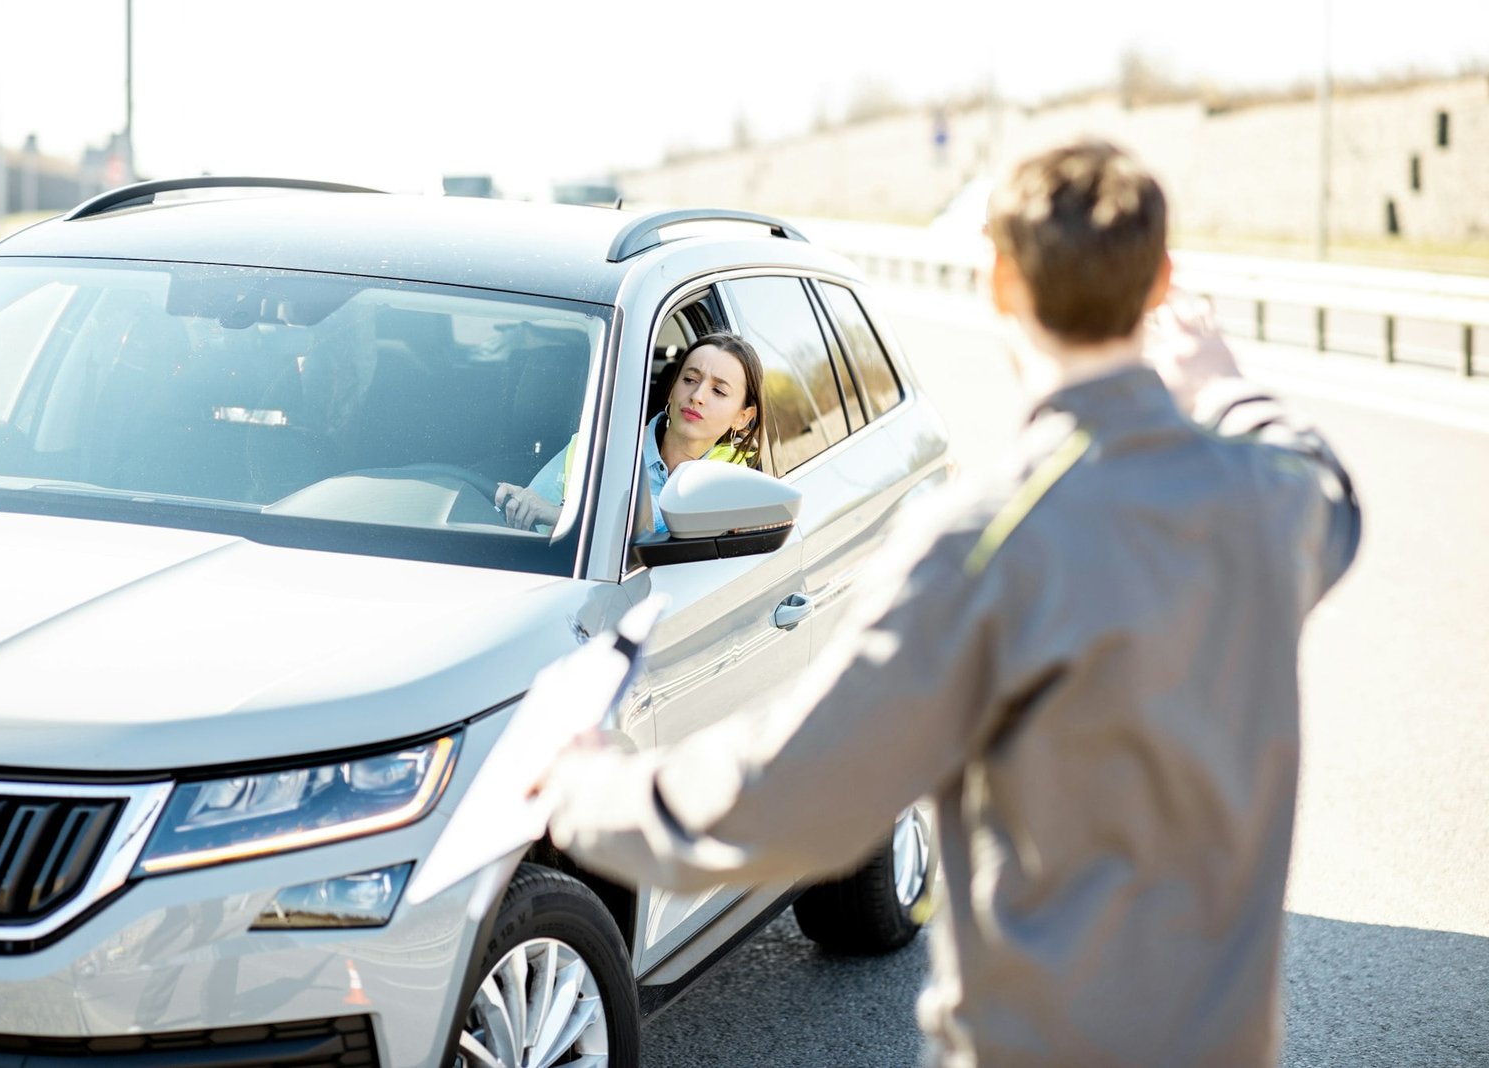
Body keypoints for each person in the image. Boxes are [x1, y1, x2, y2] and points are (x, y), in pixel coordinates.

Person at [533, 140, 1361, 1066]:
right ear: (1162, 279)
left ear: (1000, 283)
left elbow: (795, 795)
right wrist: (1223, 386)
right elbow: (1325, 480)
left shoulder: (978, 544)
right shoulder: (1267, 501)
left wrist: (591, 790)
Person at [494, 332, 765, 532]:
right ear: (671, 389)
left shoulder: (734, 478)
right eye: (690, 380)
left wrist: (565, 515)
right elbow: (530, 518)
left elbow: (666, 515)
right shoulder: (599, 447)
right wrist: (518, 504)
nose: (697, 396)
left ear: (743, 417)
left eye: (718, 390)